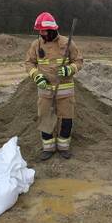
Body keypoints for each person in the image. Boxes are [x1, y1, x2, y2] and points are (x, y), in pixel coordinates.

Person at [24, 12, 84, 160]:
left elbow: (79, 61)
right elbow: (29, 63)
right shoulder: (36, 44)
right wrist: (36, 75)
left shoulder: (67, 43)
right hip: (45, 91)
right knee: (45, 118)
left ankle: (64, 148)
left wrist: (69, 69)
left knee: (66, 120)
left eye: (43, 31)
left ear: (52, 30)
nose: (41, 34)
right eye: (39, 31)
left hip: (65, 91)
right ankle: (48, 148)